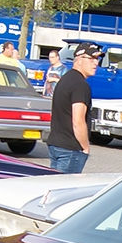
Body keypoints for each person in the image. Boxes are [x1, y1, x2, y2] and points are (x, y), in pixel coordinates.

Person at [46, 41, 102, 173]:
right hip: (70, 149)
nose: (96, 63)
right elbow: (78, 121)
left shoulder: (64, 79)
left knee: (55, 188)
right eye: (92, 59)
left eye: (97, 59)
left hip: (56, 144)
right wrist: (85, 147)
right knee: (64, 190)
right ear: (79, 60)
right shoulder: (80, 85)